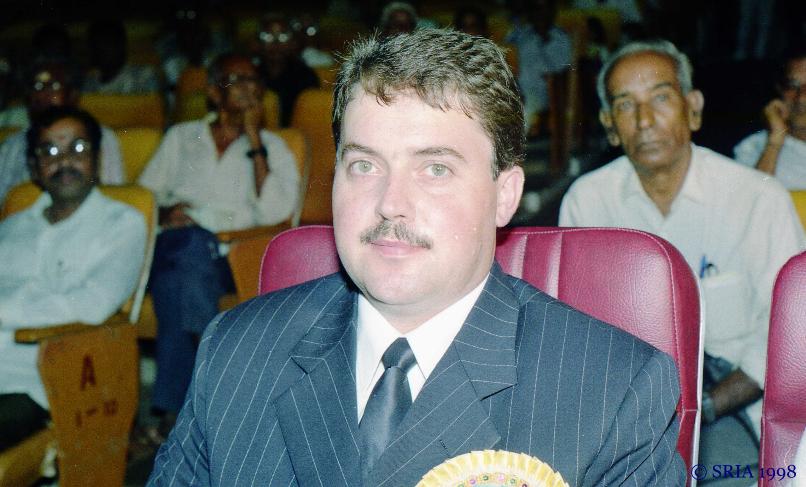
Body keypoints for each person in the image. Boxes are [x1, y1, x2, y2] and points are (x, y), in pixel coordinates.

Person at [147, 29, 684, 487]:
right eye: (364, 165)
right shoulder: (236, 351)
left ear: (505, 195)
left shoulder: (612, 389)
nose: (389, 203)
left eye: (435, 169)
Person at [559, 40, 805, 466]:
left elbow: (790, 332)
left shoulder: (758, 199)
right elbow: (579, 335)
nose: (645, 120)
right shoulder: (589, 202)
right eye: (625, 105)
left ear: (693, 108)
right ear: (609, 125)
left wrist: (706, 407)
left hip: (744, 403)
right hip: (628, 415)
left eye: (660, 98)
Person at [138, 52, 300, 432]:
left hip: (229, 257)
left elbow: (274, 213)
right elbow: (142, 199)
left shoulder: (275, 147)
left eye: (254, 80)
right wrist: (166, 213)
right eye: (236, 80)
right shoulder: (181, 137)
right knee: (186, 251)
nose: (248, 88)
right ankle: (215, 373)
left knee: (177, 279)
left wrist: (255, 140)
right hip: (171, 244)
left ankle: (174, 411)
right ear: (213, 92)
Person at [0, 105, 146, 452]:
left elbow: (93, 305)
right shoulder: (13, 226)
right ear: (34, 167)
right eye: (50, 151)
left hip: (44, 379)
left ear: (97, 158)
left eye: (78, 148)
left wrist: (4, 310)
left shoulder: (122, 224)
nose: (64, 161)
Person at [0, 60, 125, 203]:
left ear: (73, 95)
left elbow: (112, 191)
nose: (43, 94)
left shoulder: (101, 137)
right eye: (37, 86)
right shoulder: (12, 144)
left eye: (54, 86)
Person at [734, 47, 806, 189]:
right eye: (792, 85)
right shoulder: (754, 147)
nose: (801, 97)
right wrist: (775, 142)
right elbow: (752, 199)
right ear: (780, 90)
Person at [505, 0, 572, 133]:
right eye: (536, 8)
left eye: (545, 8)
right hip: (523, 91)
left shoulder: (562, 38)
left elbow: (568, 71)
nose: (541, 14)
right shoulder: (520, 36)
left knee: (528, 109)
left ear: (552, 12)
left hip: (553, 93)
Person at [254, 14, 319, 127]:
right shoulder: (252, 76)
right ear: (258, 43)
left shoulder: (306, 77)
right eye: (268, 36)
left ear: (293, 42)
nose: (275, 42)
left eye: (283, 36)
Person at [83, 20, 161, 94]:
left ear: (121, 45)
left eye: (107, 43)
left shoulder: (143, 77)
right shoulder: (89, 84)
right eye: (95, 45)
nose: (100, 50)